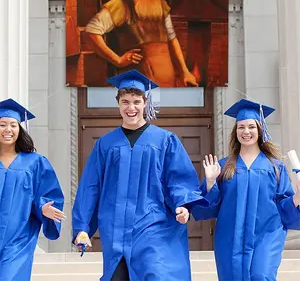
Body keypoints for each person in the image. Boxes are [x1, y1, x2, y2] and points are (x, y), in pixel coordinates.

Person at [72, 70, 208, 281]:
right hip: (116, 230)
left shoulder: (165, 141)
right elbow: (91, 187)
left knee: (156, 274)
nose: (131, 108)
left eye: (136, 101)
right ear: (118, 103)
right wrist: (82, 228)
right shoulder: (106, 145)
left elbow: (179, 178)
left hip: (154, 225)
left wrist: (183, 204)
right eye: (125, 101)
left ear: (146, 102)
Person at [190, 98, 300, 281]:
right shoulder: (224, 166)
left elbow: (285, 207)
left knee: (260, 275)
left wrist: (298, 197)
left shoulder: (275, 167)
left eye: (251, 127)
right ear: (235, 132)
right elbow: (208, 208)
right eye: (241, 127)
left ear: (260, 130)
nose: (246, 131)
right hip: (230, 236)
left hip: (267, 234)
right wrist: (210, 182)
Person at [0, 98, 65, 280]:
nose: (8, 130)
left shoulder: (35, 162)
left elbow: (46, 193)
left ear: (20, 129)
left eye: (13, 125)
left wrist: (42, 207)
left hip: (18, 240)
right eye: (2, 124)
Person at [85, 0, 197, 87]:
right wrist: (117, 60)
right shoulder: (121, 5)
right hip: (136, 87)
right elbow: (91, 31)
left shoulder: (161, 5)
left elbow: (172, 38)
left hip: (167, 85)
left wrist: (184, 72)